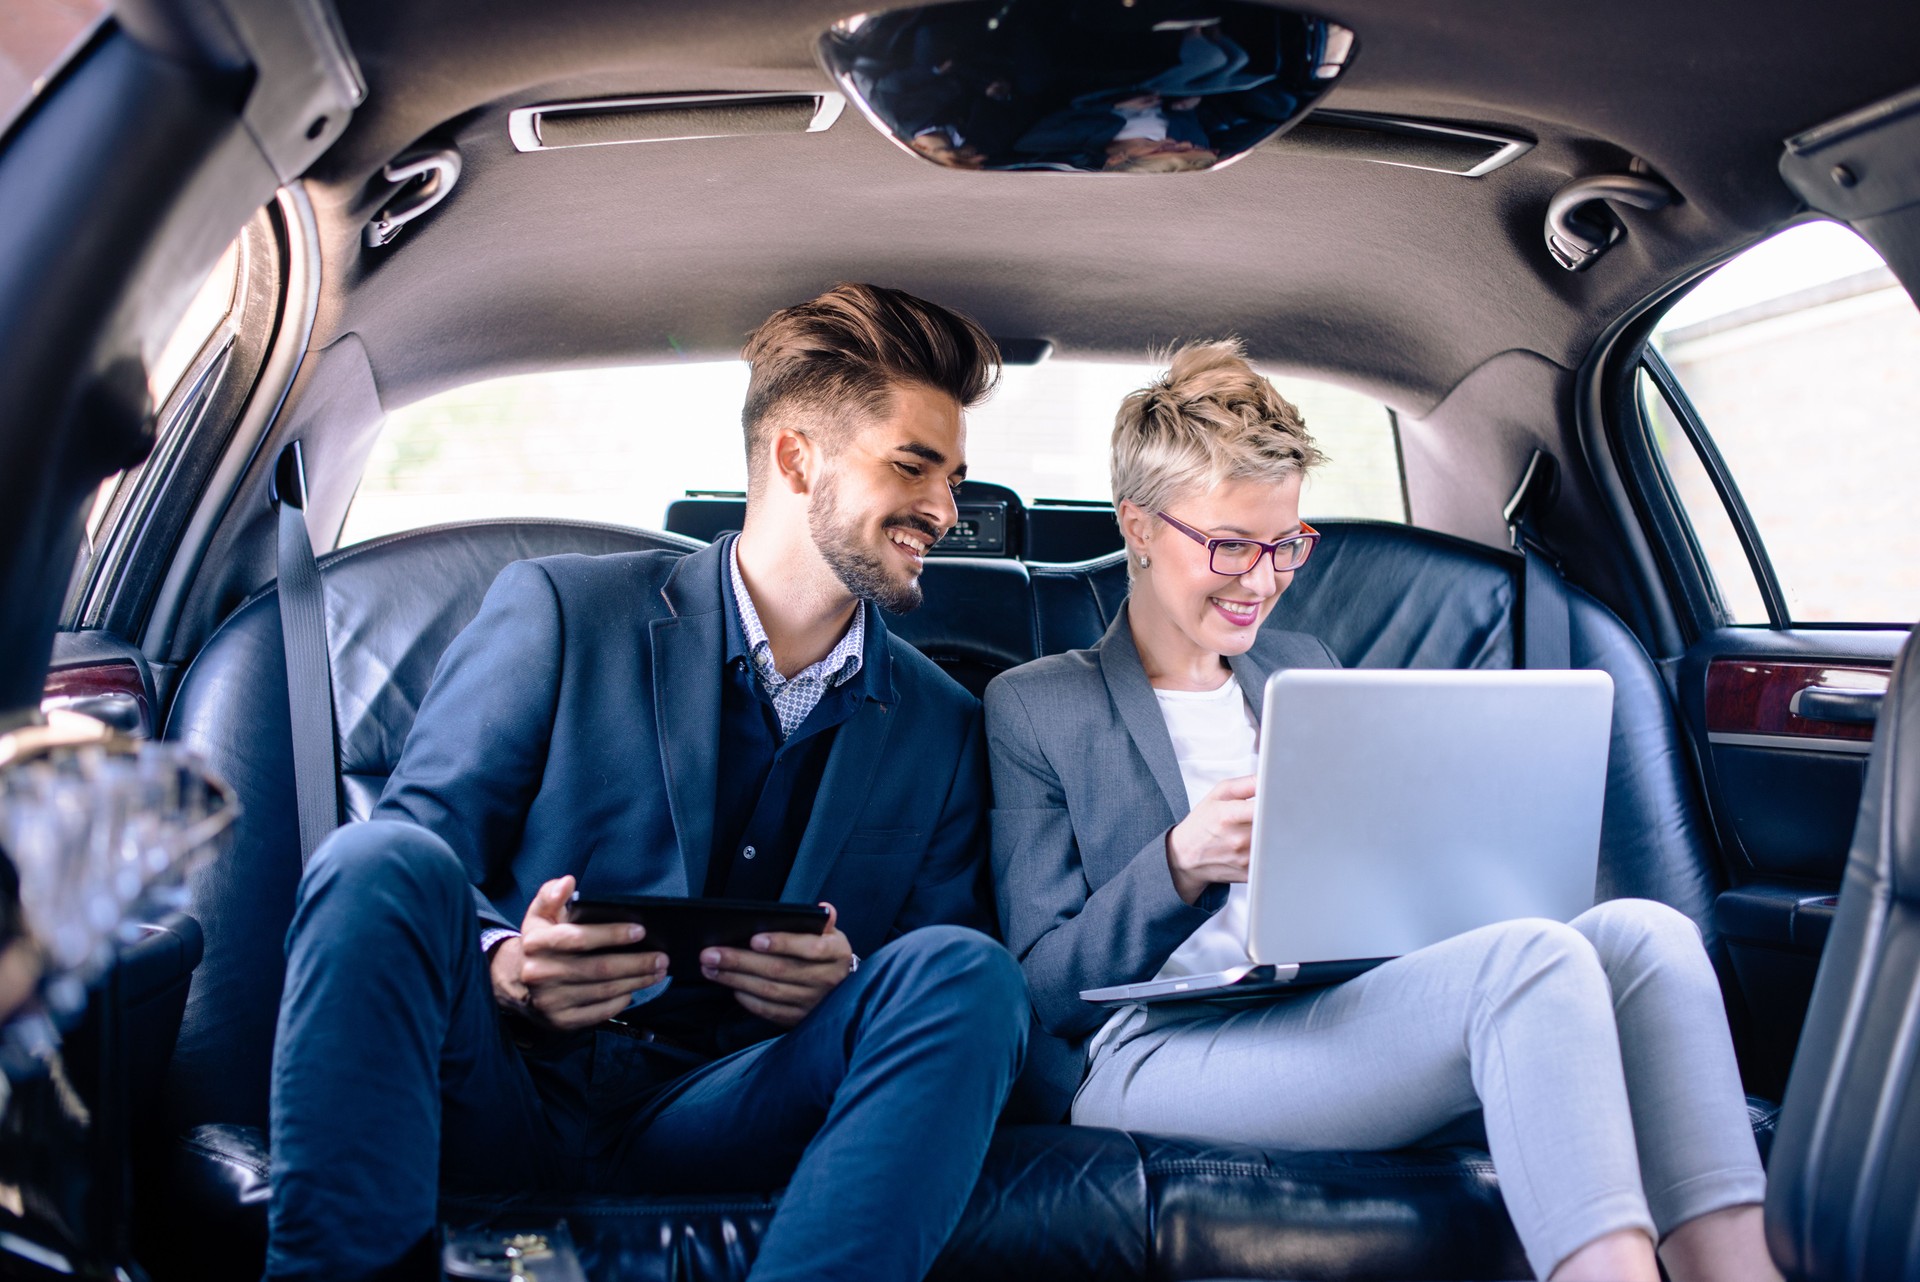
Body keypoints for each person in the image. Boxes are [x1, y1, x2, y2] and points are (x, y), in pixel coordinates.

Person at [266, 283, 1028, 1282]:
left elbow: (919, 965)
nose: (943, 508)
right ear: (796, 456)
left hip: (733, 1107)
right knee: (376, 861)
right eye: (913, 466)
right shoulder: (558, 611)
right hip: (505, 1083)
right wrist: (505, 965)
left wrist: (836, 981)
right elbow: (423, 853)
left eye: (953, 477)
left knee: (970, 977)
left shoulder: (943, 722)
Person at [984, 339, 1779, 1282]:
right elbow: (1033, 993)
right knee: (1535, 961)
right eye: (1230, 545)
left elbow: (1379, 898)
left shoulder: (1305, 668)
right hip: (1151, 1051)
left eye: (1286, 545)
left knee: (1646, 936)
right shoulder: (1037, 704)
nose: (1263, 579)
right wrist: (1178, 864)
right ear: (1140, 528)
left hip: (1328, 1006)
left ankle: (1738, 1269)